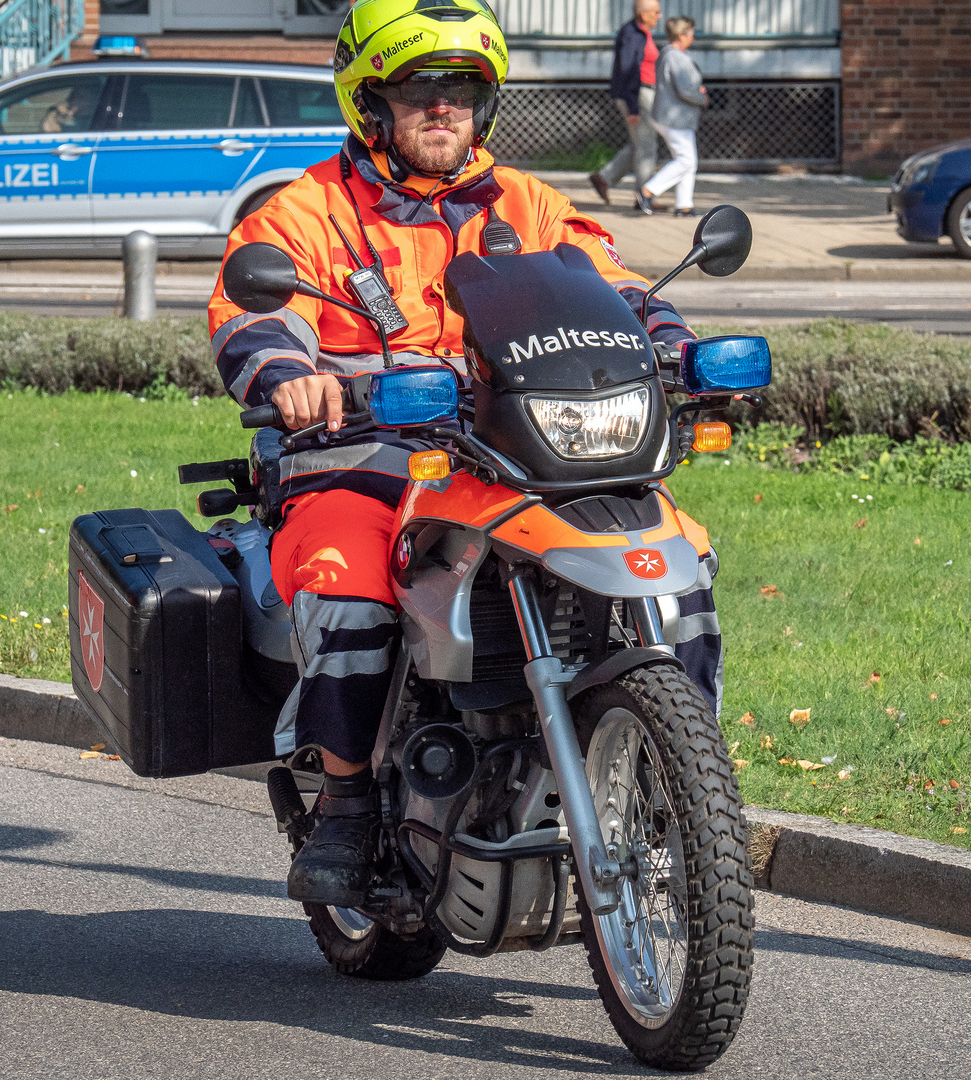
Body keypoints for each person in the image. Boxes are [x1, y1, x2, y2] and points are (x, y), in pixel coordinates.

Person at [207, 0, 725, 908]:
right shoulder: (308, 212)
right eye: (419, 88)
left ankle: (686, 792)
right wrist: (288, 370)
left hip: (521, 459)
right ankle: (350, 801)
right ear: (371, 101)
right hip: (362, 461)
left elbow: (615, 287)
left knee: (678, 554)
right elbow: (253, 314)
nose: (443, 107)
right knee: (344, 576)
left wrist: (677, 343)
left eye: (464, 89)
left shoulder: (528, 203)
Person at [589, 0, 662, 205]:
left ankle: (604, 177)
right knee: (646, 147)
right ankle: (644, 197)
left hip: (644, 93)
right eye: (656, 12)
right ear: (643, 14)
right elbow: (628, 69)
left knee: (639, 144)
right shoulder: (632, 34)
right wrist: (633, 106)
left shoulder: (642, 32)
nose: (659, 16)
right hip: (637, 94)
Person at [637, 17, 707, 217]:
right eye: (691, 33)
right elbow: (686, 89)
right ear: (682, 35)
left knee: (687, 160)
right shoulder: (676, 57)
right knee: (686, 160)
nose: (692, 38)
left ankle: (684, 205)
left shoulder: (667, 54)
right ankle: (647, 191)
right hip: (675, 118)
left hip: (671, 115)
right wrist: (701, 95)